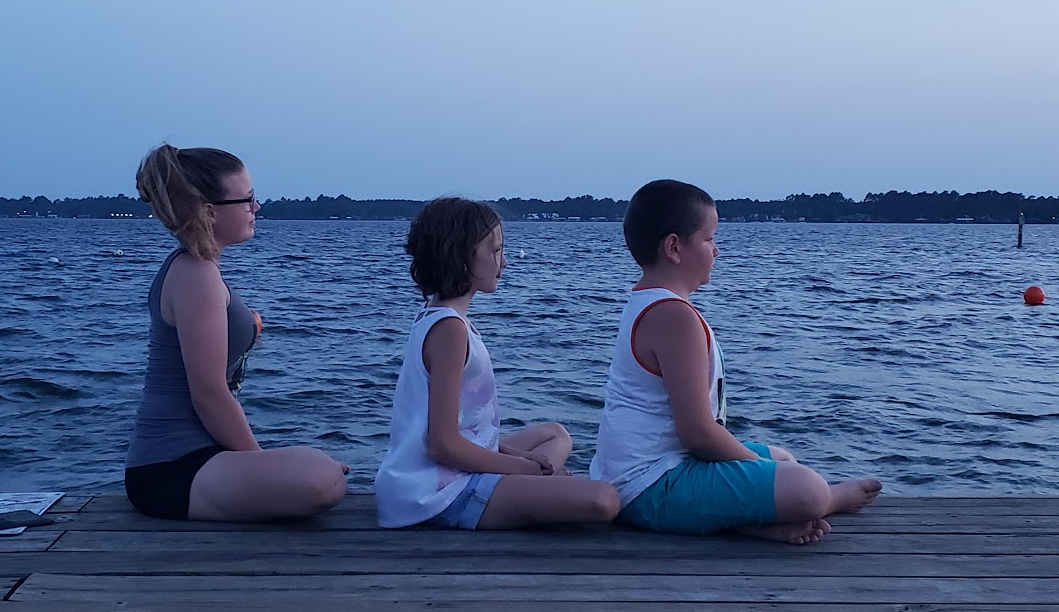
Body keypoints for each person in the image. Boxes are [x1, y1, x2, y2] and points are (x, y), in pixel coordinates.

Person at [588, 179, 880, 543]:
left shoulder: (650, 303)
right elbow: (698, 433)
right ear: (674, 247)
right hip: (650, 488)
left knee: (783, 459)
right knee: (807, 487)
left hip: (651, 472)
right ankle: (829, 500)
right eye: (709, 239)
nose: (717, 250)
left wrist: (765, 467)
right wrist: (759, 468)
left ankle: (748, 522)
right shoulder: (673, 316)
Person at [124, 144, 348, 521]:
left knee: (319, 470)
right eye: (247, 199)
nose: (256, 207)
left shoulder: (198, 270)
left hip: (204, 456)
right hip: (171, 468)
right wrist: (262, 468)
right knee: (321, 481)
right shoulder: (196, 274)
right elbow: (208, 395)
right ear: (209, 211)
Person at [377, 196, 620, 530]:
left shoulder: (440, 317)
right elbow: (442, 444)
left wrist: (517, 457)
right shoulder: (449, 331)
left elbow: (458, 432)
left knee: (556, 435)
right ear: (461, 256)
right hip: (439, 493)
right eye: (495, 251)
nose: (503, 262)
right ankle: (534, 487)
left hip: (450, 471)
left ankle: (535, 485)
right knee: (604, 499)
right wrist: (521, 469)